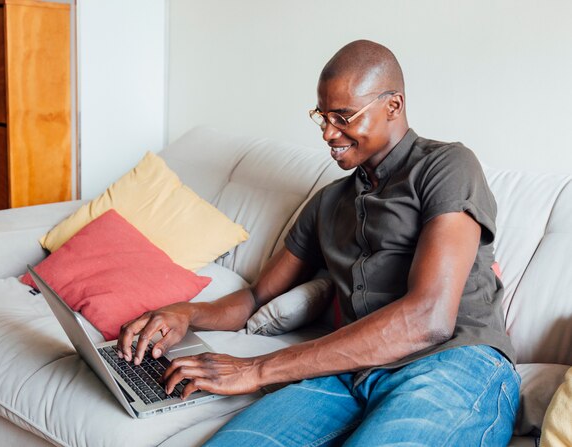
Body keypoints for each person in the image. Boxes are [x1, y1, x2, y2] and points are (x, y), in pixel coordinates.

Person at [117, 40, 520, 446]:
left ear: (393, 106)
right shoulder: (328, 202)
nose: (328, 133)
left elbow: (428, 319)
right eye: (322, 116)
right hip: (350, 372)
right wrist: (185, 314)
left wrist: (256, 369)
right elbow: (257, 296)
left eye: (343, 117)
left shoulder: (446, 165)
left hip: (454, 364)